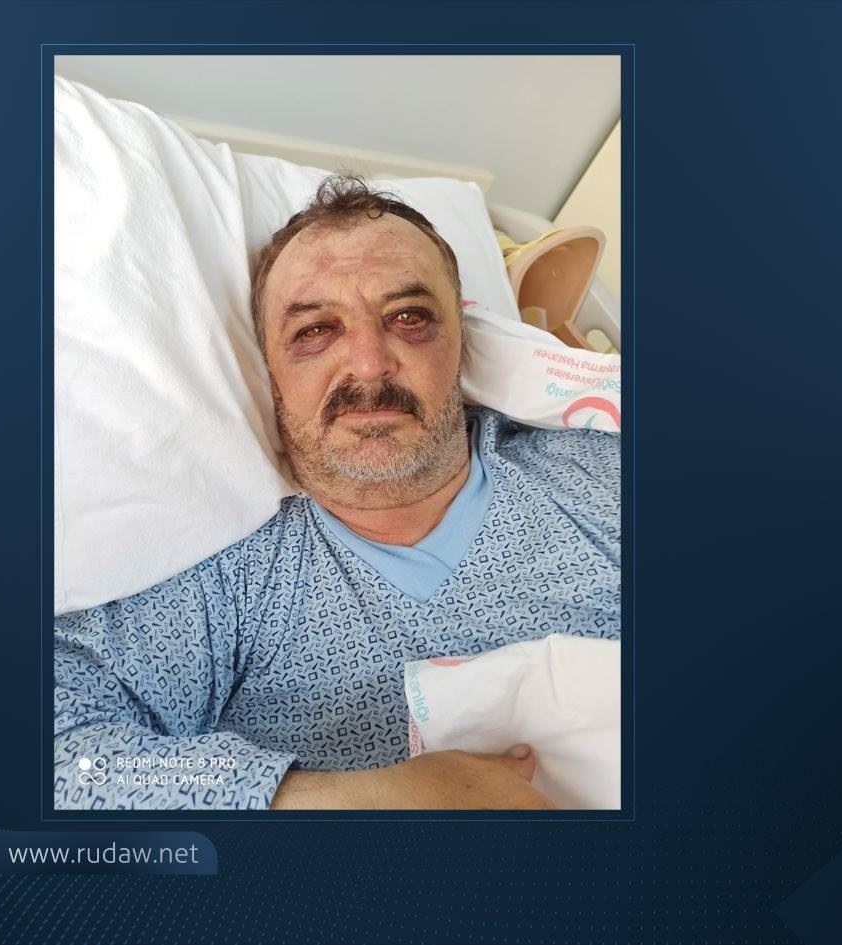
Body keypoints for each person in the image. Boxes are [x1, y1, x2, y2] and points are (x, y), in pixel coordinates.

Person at [55, 175, 619, 810]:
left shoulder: (599, 475)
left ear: (462, 344)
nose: (370, 364)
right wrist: (358, 802)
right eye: (315, 331)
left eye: (409, 319)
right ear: (269, 373)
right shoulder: (218, 571)